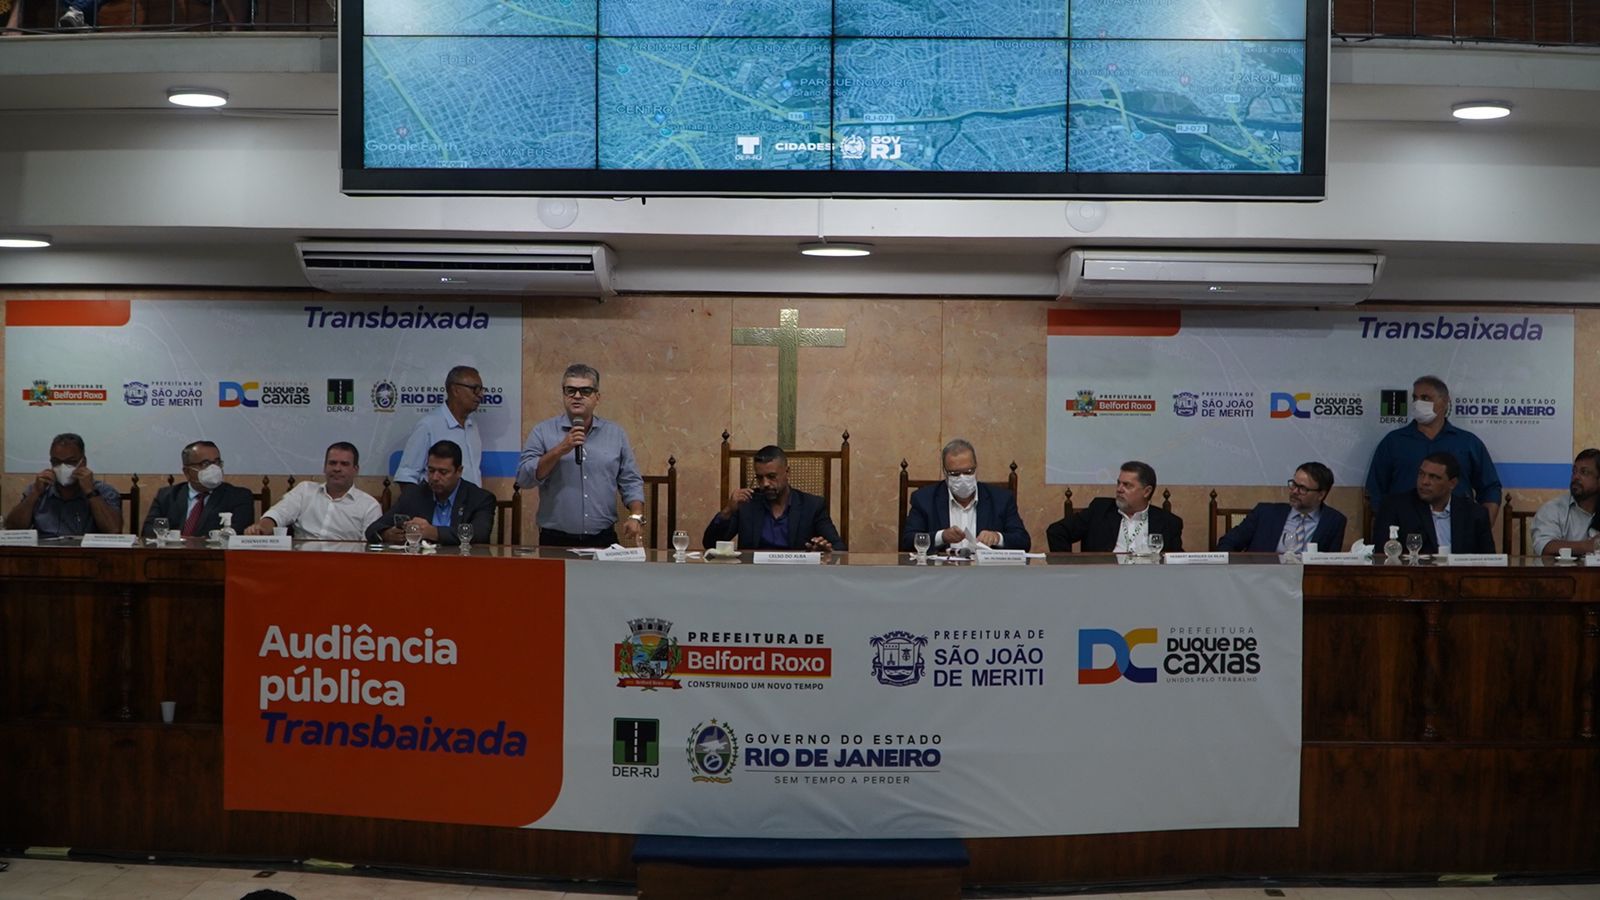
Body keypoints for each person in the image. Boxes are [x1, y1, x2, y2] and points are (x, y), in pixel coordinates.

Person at [515, 363, 645, 547]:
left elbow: (630, 480)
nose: (577, 396)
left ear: (597, 397)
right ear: (564, 394)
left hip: (603, 538)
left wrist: (636, 516)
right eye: (571, 390)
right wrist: (560, 449)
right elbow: (524, 479)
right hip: (555, 539)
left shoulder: (615, 434)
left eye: (585, 391)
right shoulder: (542, 432)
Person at [1365, 375, 1501, 525]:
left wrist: (1482, 529)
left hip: (1457, 527)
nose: (1418, 403)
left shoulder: (1468, 443)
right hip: (1404, 527)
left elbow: (1490, 489)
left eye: (1425, 398)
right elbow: (1375, 489)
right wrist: (1387, 524)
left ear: (1445, 402)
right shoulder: (1393, 442)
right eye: (1415, 398)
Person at [703, 445, 845, 552]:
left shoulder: (812, 505)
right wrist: (727, 511)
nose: (765, 483)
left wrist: (826, 551)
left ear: (787, 472)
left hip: (797, 576)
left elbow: (839, 548)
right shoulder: (746, 503)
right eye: (760, 478)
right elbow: (710, 545)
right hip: (753, 576)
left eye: (771, 477)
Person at [900, 438, 1029, 552]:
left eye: (968, 472)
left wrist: (997, 537)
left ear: (976, 468)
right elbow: (907, 542)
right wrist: (942, 536)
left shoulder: (1001, 499)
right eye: (955, 474)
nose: (962, 478)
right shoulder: (924, 499)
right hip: (942, 570)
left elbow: (1023, 541)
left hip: (985, 571)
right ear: (945, 473)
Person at [365, 440, 495, 546]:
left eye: (443, 472)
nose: (435, 477)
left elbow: (480, 535)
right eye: (431, 470)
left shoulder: (480, 498)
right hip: (420, 565)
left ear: (459, 471)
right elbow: (372, 529)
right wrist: (386, 534)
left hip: (462, 564)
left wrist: (433, 532)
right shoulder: (414, 495)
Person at [245, 442, 382, 541]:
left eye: (344, 464)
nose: (337, 469)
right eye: (332, 463)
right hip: (301, 562)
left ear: (355, 470)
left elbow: (368, 548)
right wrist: (262, 528)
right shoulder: (305, 490)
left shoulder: (369, 506)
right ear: (324, 467)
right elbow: (279, 513)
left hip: (344, 565)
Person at [1370, 451, 1495, 554]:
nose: (1424, 482)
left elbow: (1489, 562)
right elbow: (1381, 555)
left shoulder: (1475, 514)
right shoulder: (1395, 507)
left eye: (1434, 477)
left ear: (1452, 483)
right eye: (1421, 474)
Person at [1045, 461, 1183, 553]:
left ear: (1146, 491)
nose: (1119, 489)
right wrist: (1070, 569)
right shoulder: (1099, 511)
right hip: (1102, 582)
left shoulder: (1169, 522)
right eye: (1118, 483)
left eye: (1127, 485)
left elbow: (1177, 562)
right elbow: (1056, 531)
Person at [4, 432, 121, 537]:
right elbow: (12, 529)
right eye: (56, 462)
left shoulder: (104, 491)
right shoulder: (38, 489)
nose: (63, 467)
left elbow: (114, 531)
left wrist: (91, 493)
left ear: (83, 462)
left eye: (70, 462)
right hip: (45, 551)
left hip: (86, 552)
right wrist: (34, 494)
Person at [1217, 462, 1348, 553]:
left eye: (1302, 488)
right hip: (1261, 579)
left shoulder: (1334, 521)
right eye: (1294, 484)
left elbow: (1331, 564)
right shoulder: (1265, 513)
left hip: (1305, 583)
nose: (1294, 491)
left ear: (1321, 494)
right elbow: (1227, 542)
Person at [394, 365, 485, 494]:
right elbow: (406, 477)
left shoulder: (472, 425)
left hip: (472, 504)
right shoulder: (428, 426)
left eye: (481, 389)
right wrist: (421, 505)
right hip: (437, 505)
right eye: (475, 389)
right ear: (455, 390)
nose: (480, 395)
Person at [141, 440, 256, 538]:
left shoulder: (238, 497)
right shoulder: (167, 496)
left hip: (214, 556)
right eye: (205, 463)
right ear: (187, 472)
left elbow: (238, 532)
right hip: (171, 554)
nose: (214, 468)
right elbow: (148, 531)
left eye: (217, 462)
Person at [1530, 448, 1600, 557]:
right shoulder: (1553, 509)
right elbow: (1545, 547)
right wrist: (1588, 546)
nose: (1576, 477)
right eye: (1574, 471)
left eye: (1584, 472)